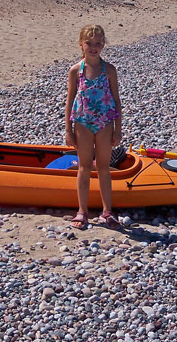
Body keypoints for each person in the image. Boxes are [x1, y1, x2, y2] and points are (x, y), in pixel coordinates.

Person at [64, 24, 123, 229]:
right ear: (81, 44)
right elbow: (70, 101)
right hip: (83, 123)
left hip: (105, 122)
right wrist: (68, 130)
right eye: (89, 43)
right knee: (84, 167)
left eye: (98, 43)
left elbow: (116, 99)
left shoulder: (109, 70)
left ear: (103, 45)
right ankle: (82, 211)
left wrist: (118, 128)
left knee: (104, 167)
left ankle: (107, 211)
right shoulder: (76, 71)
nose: (94, 47)